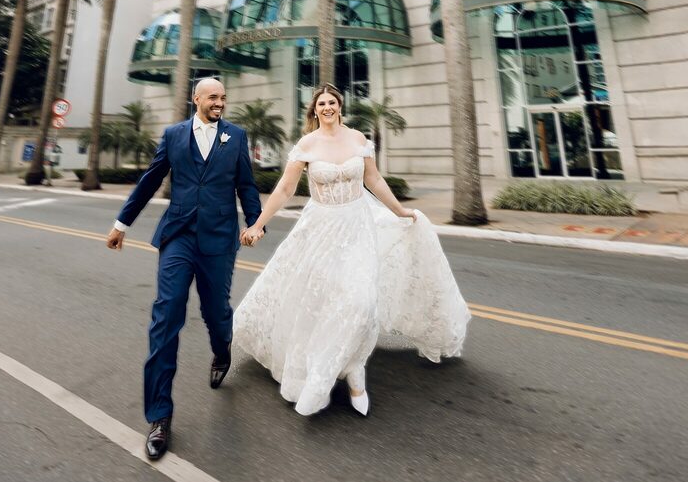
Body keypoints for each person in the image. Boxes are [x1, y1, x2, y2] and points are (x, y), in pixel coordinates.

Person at [234, 84, 470, 417]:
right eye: (321, 104)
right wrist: (258, 223)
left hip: (358, 225)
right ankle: (319, 369)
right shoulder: (307, 144)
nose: (327, 107)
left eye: (332, 102)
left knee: (361, 302)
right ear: (314, 110)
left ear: (340, 107)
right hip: (321, 228)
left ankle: (355, 369)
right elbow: (286, 188)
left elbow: (373, 180)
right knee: (322, 300)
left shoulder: (358, 139)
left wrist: (399, 211)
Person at [105, 78, 262, 459]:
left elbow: (246, 185)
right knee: (167, 314)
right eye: (213, 97)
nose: (220, 102)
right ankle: (159, 417)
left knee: (216, 312)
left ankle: (222, 350)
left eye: (224, 97)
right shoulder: (174, 135)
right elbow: (151, 180)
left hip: (219, 238)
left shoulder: (235, 137)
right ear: (196, 99)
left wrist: (255, 223)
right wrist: (121, 223)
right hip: (178, 235)